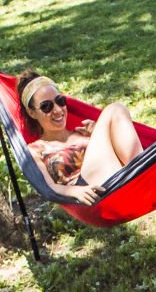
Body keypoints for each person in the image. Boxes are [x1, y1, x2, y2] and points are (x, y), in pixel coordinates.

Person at [15, 70, 146, 206]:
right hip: (88, 192)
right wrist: (74, 191)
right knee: (114, 109)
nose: (58, 110)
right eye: (46, 106)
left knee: (117, 111)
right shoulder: (35, 150)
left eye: (60, 101)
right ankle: (144, 174)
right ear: (32, 113)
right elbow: (48, 188)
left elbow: (118, 156)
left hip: (118, 178)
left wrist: (99, 135)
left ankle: (144, 174)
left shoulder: (82, 133)